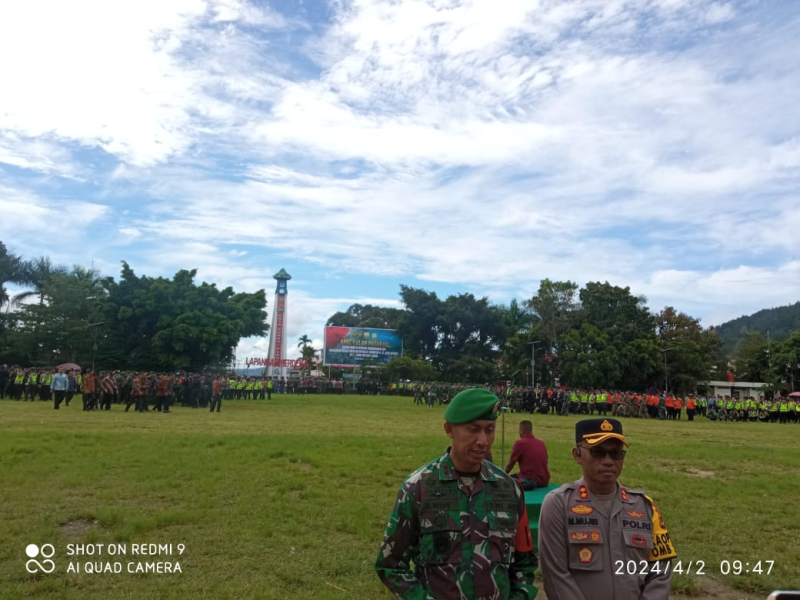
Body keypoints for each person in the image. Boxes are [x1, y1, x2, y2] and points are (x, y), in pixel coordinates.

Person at [375, 388, 538, 600]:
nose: (483, 441)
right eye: (473, 430)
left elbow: (524, 564)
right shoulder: (418, 488)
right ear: (449, 429)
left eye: (489, 430)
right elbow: (390, 565)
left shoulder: (508, 488)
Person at [538, 418, 676, 600]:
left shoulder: (644, 506)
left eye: (616, 453)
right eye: (598, 452)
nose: (608, 461)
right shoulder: (558, 505)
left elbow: (661, 570)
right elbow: (556, 576)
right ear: (577, 455)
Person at [505, 420, 550, 490]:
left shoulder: (520, 443)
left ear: (521, 431)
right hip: (544, 481)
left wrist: (503, 474)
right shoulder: (541, 443)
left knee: (506, 482)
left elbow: (511, 463)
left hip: (531, 480)